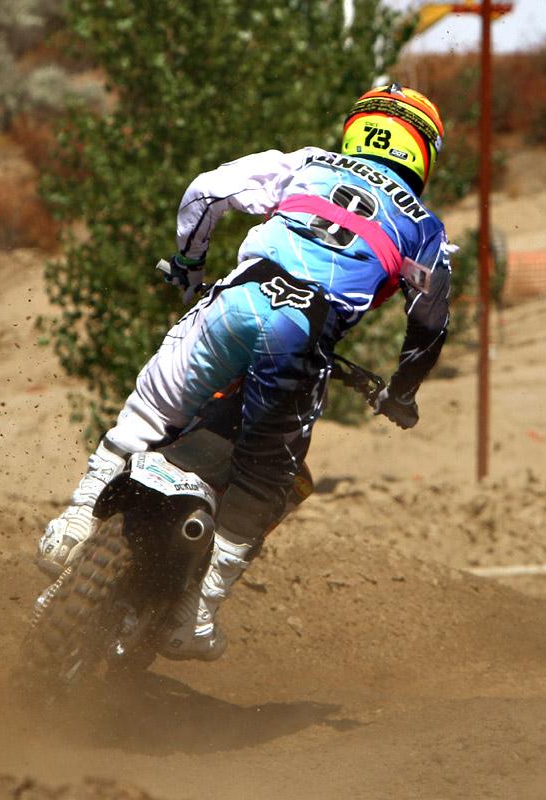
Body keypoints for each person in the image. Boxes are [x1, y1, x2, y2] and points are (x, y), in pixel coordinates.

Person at [35, 84, 452, 661]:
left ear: (358, 128)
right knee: (266, 478)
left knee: (152, 407)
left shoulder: (305, 162)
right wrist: (401, 396)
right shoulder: (425, 226)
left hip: (235, 303)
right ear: (422, 150)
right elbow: (429, 322)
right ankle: (195, 618)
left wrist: (189, 262)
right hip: (299, 337)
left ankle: (76, 520)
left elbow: (206, 191)